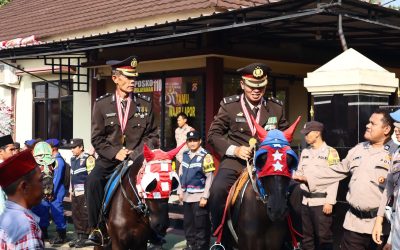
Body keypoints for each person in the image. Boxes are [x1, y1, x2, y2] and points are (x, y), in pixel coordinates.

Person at [294, 109, 397, 250]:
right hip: (353, 225)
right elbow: (338, 169)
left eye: (373, 123)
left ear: (386, 129)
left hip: (379, 227)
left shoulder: (395, 153)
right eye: (368, 122)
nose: (367, 125)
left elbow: (391, 192)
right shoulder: (359, 149)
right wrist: (308, 178)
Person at [86, 55, 159, 246]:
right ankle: (97, 229)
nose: (132, 81)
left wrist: (137, 154)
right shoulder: (101, 104)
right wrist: (115, 152)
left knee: (159, 184)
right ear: (115, 78)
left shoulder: (145, 103)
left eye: (134, 77)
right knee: (92, 182)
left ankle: (154, 228)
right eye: (127, 77)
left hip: (138, 161)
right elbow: (97, 138)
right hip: (110, 160)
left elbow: (153, 135)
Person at [207, 62, 289, 231]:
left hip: (269, 163)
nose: (256, 90)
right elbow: (213, 135)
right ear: (242, 84)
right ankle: (219, 235)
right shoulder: (229, 106)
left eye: (260, 86)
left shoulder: (276, 107)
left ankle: (294, 239)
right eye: (251, 86)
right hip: (236, 162)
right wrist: (235, 150)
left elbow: (285, 137)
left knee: (294, 191)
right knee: (217, 190)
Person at [295, 121, 340, 250]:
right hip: (306, 202)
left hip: (321, 202)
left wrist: (330, 201)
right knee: (307, 238)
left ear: (317, 133)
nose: (305, 137)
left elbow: (335, 177)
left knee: (323, 238)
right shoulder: (305, 152)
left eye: (307, 134)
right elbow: (299, 172)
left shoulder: (331, 152)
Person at [178, 131, 214, 250]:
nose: (192, 143)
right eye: (190, 141)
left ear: (200, 141)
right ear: (187, 142)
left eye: (195, 140)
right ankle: (191, 245)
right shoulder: (185, 154)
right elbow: (181, 173)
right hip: (187, 196)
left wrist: (205, 196)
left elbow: (209, 177)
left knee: (201, 225)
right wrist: (180, 191)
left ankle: (201, 247)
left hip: (199, 197)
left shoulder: (205, 156)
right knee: (188, 224)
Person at [0, 150, 44, 249]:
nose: (43, 185)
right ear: (24, 186)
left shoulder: (4, 217)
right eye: (40, 180)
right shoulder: (28, 228)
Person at [373, 109, 400, 250]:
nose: (396, 128)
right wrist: (390, 239)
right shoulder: (396, 153)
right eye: (396, 124)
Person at [31, 140, 67, 245]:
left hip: (55, 191)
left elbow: (56, 179)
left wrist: (51, 193)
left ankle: (62, 235)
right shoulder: (47, 160)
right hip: (46, 191)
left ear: (52, 148)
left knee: (57, 212)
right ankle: (44, 233)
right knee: (42, 210)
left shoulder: (57, 161)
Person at [68, 138, 94, 248]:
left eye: (74, 147)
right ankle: (78, 236)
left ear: (81, 147)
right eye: (71, 148)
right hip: (74, 193)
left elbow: (92, 177)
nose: (72, 150)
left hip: (84, 193)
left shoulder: (89, 158)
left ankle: (84, 238)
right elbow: (71, 176)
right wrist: (70, 191)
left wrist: (89, 193)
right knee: (75, 214)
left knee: (84, 215)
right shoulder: (73, 159)